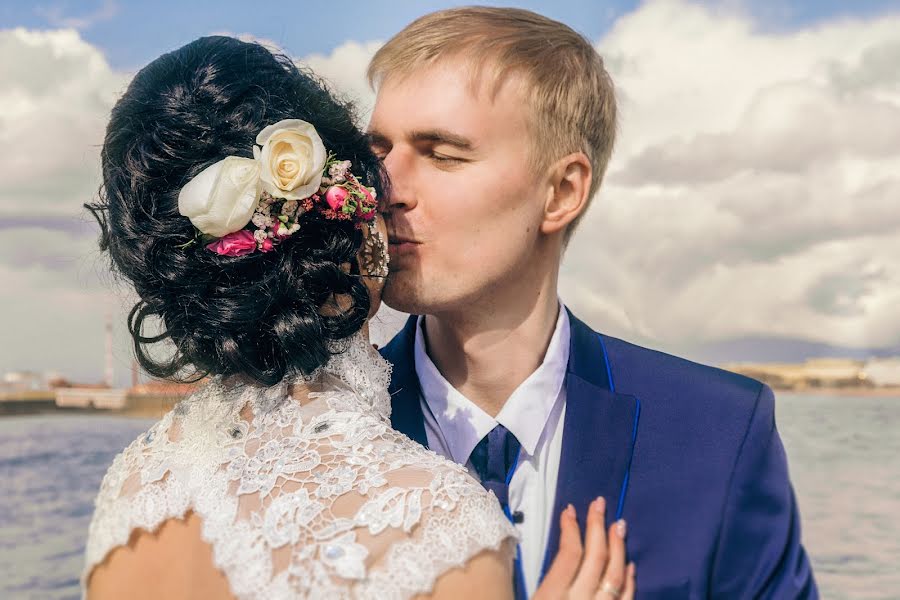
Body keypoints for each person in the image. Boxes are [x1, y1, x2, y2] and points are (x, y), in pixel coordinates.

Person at [80, 36, 635, 599]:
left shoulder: (133, 489)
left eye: (442, 154)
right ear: (354, 207)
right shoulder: (435, 522)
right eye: (378, 156)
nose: (396, 189)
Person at [369, 7, 818, 598]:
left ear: (561, 191)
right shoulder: (300, 443)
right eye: (378, 151)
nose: (384, 187)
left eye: (443, 153)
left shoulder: (720, 433)